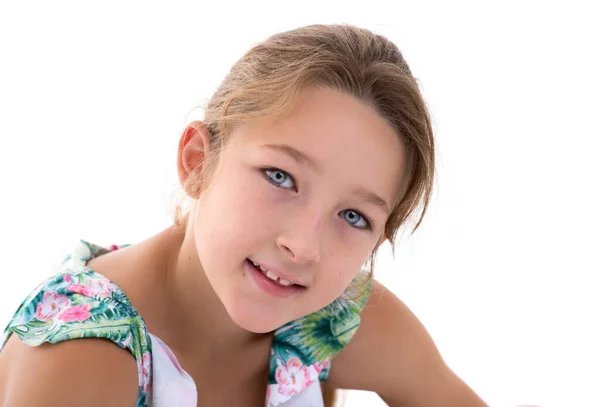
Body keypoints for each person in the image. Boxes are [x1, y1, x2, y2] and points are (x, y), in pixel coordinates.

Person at [0, 24, 486, 406]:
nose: (304, 245)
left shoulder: (330, 321)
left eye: (354, 216)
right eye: (280, 177)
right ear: (197, 161)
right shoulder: (82, 357)